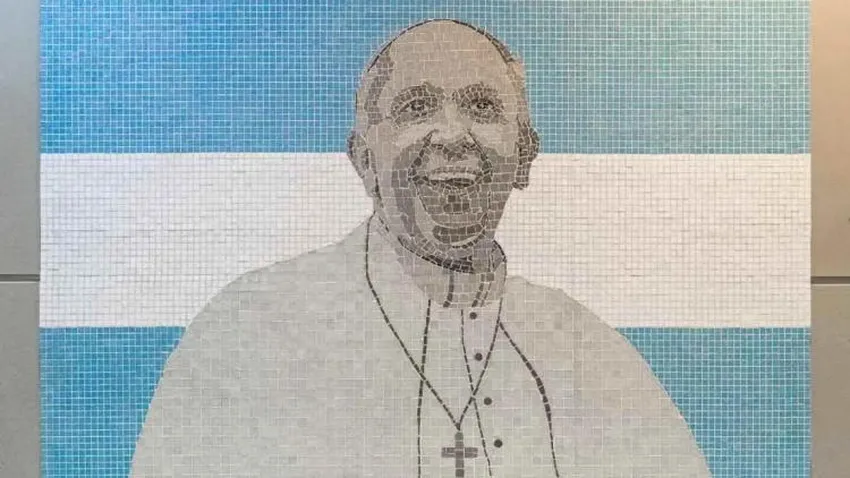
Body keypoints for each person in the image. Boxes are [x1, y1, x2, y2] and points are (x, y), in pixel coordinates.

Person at [130, 19, 712, 478]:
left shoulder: (587, 351)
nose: (453, 135)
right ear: (364, 159)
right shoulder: (251, 328)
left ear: (525, 156)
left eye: (483, 106)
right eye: (417, 107)